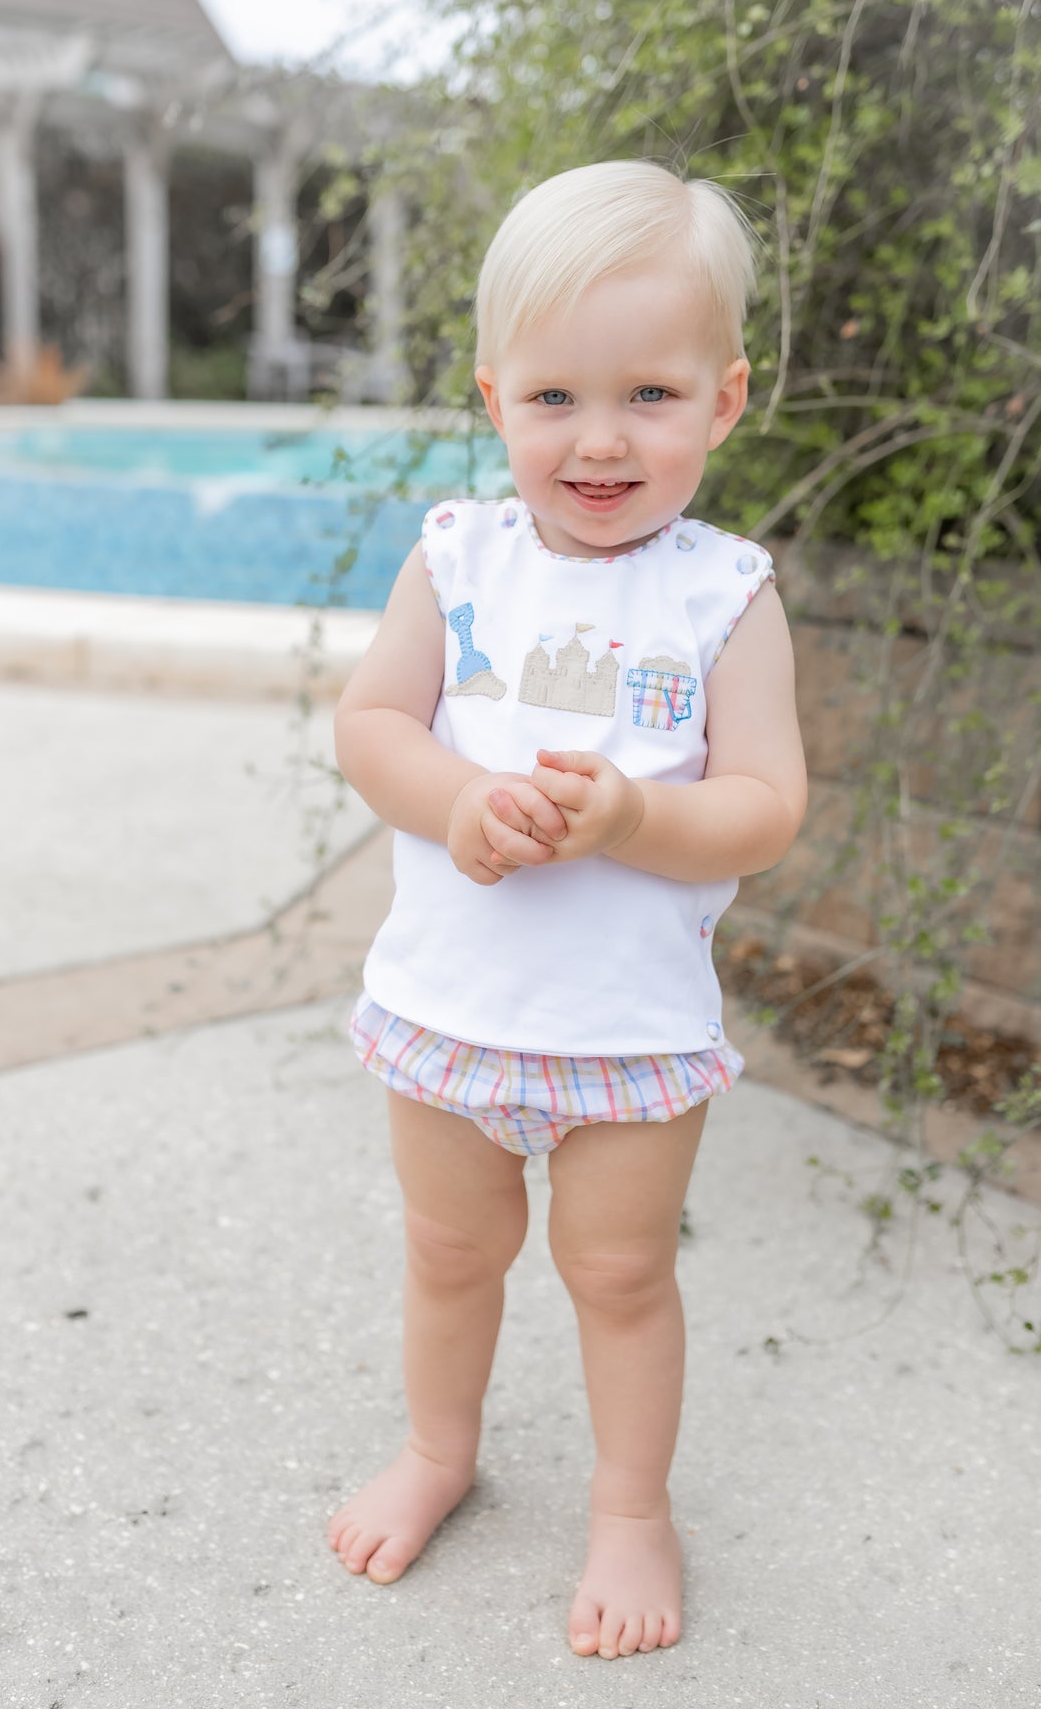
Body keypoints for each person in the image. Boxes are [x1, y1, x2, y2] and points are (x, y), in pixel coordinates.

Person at [328, 160, 806, 1661]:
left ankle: (627, 1507)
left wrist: (638, 815)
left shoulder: (723, 595)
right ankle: (440, 1449)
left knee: (616, 1270)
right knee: (449, 1253)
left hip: (628, 1034)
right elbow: (372, 726)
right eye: (555, 400)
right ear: (495, 398)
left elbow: (768, 804)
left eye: (651, 395)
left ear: (724, 401)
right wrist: (460, 803)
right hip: (450, 1010)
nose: (600, 440)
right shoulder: (459, 558)